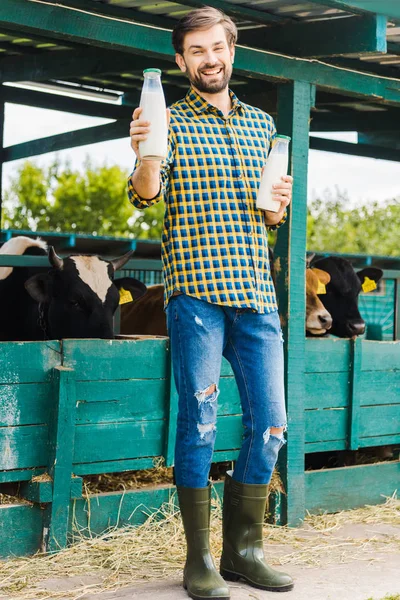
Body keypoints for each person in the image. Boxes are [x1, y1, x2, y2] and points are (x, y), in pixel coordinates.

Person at [128, 7, 294, 599]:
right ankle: (198, 560)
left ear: (232, 51)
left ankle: (243, 552)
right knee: (198, 423)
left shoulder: (264, 126)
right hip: (195, 293)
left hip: (256, 294)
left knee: (272, 424)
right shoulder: (164, 120)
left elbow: (272, 217)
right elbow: (145, 195)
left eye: (216, 48)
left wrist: (278, 205)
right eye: (195, 51)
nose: (209, 59)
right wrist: (147, 154)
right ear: (181, 61)